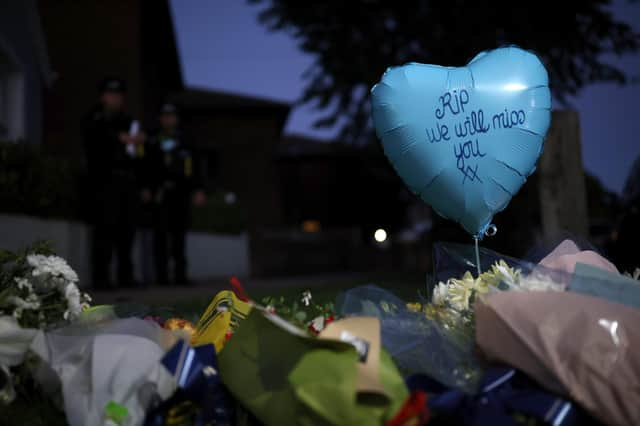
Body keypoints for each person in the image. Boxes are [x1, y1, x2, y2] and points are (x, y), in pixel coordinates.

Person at [82, 77, 147, 288]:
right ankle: (101, 278)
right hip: (104, 181)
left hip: (127, 181)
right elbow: (93, 142)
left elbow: (138, 153)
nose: (115, 99)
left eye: (119, 95)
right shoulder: (95, 118)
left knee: (127, 231)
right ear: (103, 96)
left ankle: (125, 276)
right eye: (111, 94)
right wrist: (118, 138)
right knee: (104, 230)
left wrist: (139, 144)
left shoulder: (128, 120)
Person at [146, 102, 205, 285]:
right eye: (165, 116)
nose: (168, 119)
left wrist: (198, 189)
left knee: (179, 236)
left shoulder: (186, 140)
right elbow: (145, 165)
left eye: (171, 116)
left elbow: (196, 167)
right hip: (160, 193)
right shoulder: (153, 139)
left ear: (176, 118)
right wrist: (147, 188)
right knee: (160, 236)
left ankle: (180, 276)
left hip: (181, 193)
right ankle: (162, 277)